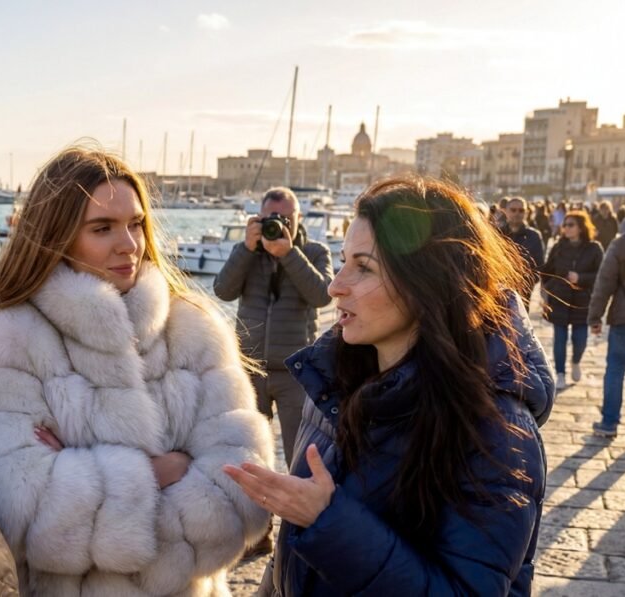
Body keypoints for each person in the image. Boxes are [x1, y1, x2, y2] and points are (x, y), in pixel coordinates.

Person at [0, 146, 274, 595]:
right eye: (102, 228)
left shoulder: (194, 328)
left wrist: (84, 476)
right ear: (57, 236)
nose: (130, 244)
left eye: (136, 223)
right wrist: (158, 473)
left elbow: (245, 488)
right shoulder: (4, 341)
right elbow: (18, 509)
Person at [223, 176, 553, 596]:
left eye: (363, 267)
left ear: (429, 282)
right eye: (343, 261)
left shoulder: (498, 432)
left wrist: (328, 521)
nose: (335, 285)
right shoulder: (332, 383)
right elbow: (293, 552)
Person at [213, 187, 333, 468]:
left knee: (300, 456)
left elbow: (322, 295)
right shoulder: (246, 252)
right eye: (270, 218)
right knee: (249, 455)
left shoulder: (314, 252)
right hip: (251, 368)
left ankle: (294, 513)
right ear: (258, 218)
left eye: (286, 219)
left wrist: (289, 254)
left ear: (299, 218)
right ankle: (255, 512)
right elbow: (222, 290)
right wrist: (245, 249)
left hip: (296, 371)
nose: (277, 224)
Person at [541, 210, 604, 389]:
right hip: (560, 299)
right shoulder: (558, 246)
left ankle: (576, 361)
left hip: (583, 301)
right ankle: (560, 373)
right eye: (565, 224)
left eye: (570, 225)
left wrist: (581, 277)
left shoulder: (594, 248)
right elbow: (547, 271)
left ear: (581, 227)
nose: (566, 228)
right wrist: (550, 287)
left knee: (581, 340)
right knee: (559, 339)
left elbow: (602, 275)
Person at [587, 230, 625, 437]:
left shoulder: (622, 244)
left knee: (615, 370)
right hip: (624, 319)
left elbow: (604, 283)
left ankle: (609, 423)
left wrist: (595, 317)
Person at [501, 196, 544, 310]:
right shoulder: (496, 233)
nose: (517, 213)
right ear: (506, 211)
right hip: (497, 292)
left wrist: (526, 284)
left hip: (522, 293)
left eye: (521, 210)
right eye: (513, 210)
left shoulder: (534, 236)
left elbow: (539, 266)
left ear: (526, 212)